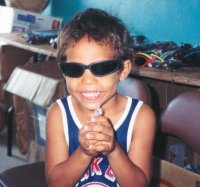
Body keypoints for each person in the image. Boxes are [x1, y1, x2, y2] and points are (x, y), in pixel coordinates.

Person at [45, 8, 156, 187]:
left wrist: (113, 150)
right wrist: (84, 153)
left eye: (102, 68)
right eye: (74, 69)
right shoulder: (58, 114)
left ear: (123, 70)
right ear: (64, 73)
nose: (87, 80)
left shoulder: (142, 117)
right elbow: (55, 183)